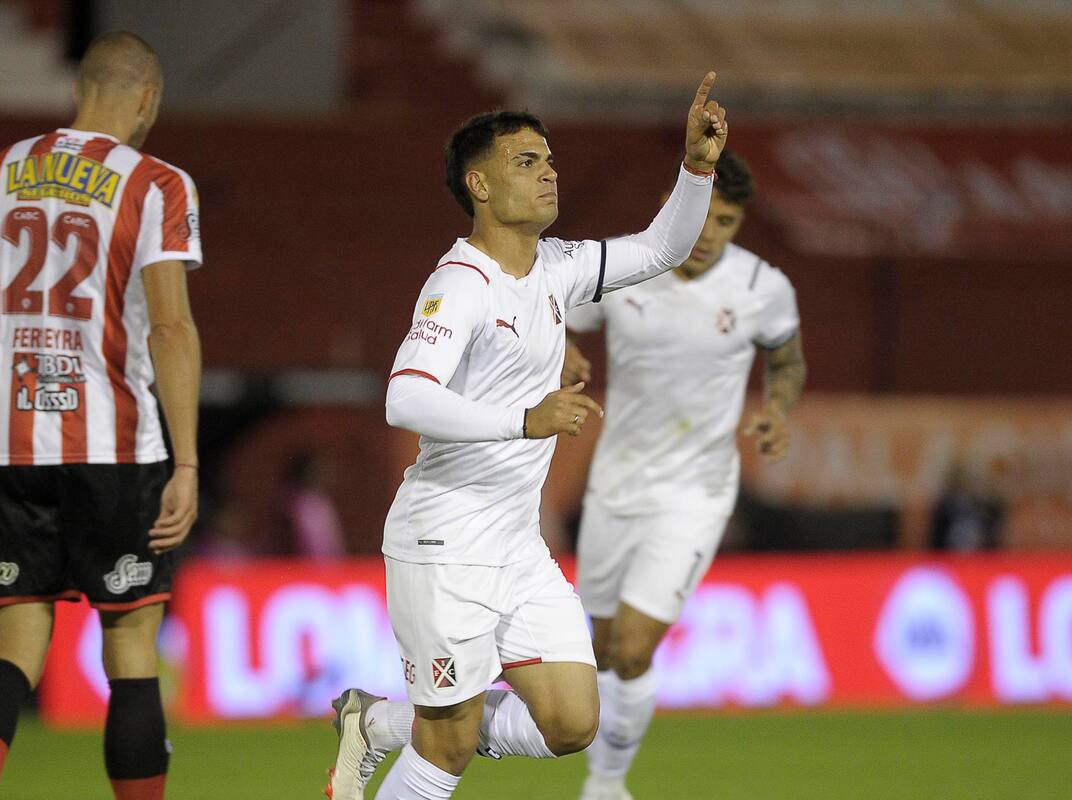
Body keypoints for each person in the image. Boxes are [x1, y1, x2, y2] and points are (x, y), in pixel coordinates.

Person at [325, 73, 729, 800]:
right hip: (445, 544)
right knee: (447, 748)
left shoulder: (555, 268)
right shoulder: (462, 283)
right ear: (479, 185)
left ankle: (380, 723)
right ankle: (401, 733)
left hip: (515, 547)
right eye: (526, 162)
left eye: (549, 160)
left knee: (572, 722)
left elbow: (660, 249)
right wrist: (525, 420)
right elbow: (405, 396)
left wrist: (695, 167)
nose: (548, 173)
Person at [0, 31, 202, 800]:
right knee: (131, 650)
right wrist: (186, 462)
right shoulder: (156, 184)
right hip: (119, 451)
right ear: (146, 99)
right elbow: (173, 328)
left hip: (13, 449)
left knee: (12, 650)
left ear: (81, 89)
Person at [563, 150, 806, 800]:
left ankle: (606, 784)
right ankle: (605, 771)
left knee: (637, 649)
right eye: (702, 216)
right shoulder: (623, 269)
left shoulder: (763, 287)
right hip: (615, 484)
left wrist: (778, 411)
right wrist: (565, 350)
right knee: (605, 650)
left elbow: (786, 361)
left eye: (726, 222)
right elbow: (555, 314)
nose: (709, 235)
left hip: (696, 491)